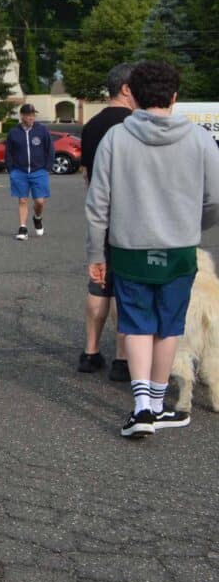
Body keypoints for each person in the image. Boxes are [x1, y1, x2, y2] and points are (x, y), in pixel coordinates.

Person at [86, 61, 219, 438]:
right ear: (174, 97)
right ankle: (160, 406)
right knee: (169, 326)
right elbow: (215, 198)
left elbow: (98, 204)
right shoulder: (199, 139)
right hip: (179, 248)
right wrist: (194, 226)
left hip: (129, 248)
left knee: (137, 325)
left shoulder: (116, 138)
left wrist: (96, 255)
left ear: (135, 95)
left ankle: (142, 406)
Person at [78, 63, 137, 379]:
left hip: (99, 213)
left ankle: (90, 352)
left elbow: (88, 176)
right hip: (129, 217)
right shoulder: (134, 125)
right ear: (126, 89)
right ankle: (122, 359)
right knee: (123, 288)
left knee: (99, 284)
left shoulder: (91, 125)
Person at [6, 104, 53, 240]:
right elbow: (9, 152)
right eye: (29, 115)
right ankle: (23, 228)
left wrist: (47, 167)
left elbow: (50, 149)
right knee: (23, 199)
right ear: (22, 116)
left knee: (39, 201)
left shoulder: (42, 130)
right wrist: (11, 169)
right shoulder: (13, 132)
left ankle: (37, 217)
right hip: (19, 171)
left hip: (39, 171)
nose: (32, 117)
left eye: (33, 115)